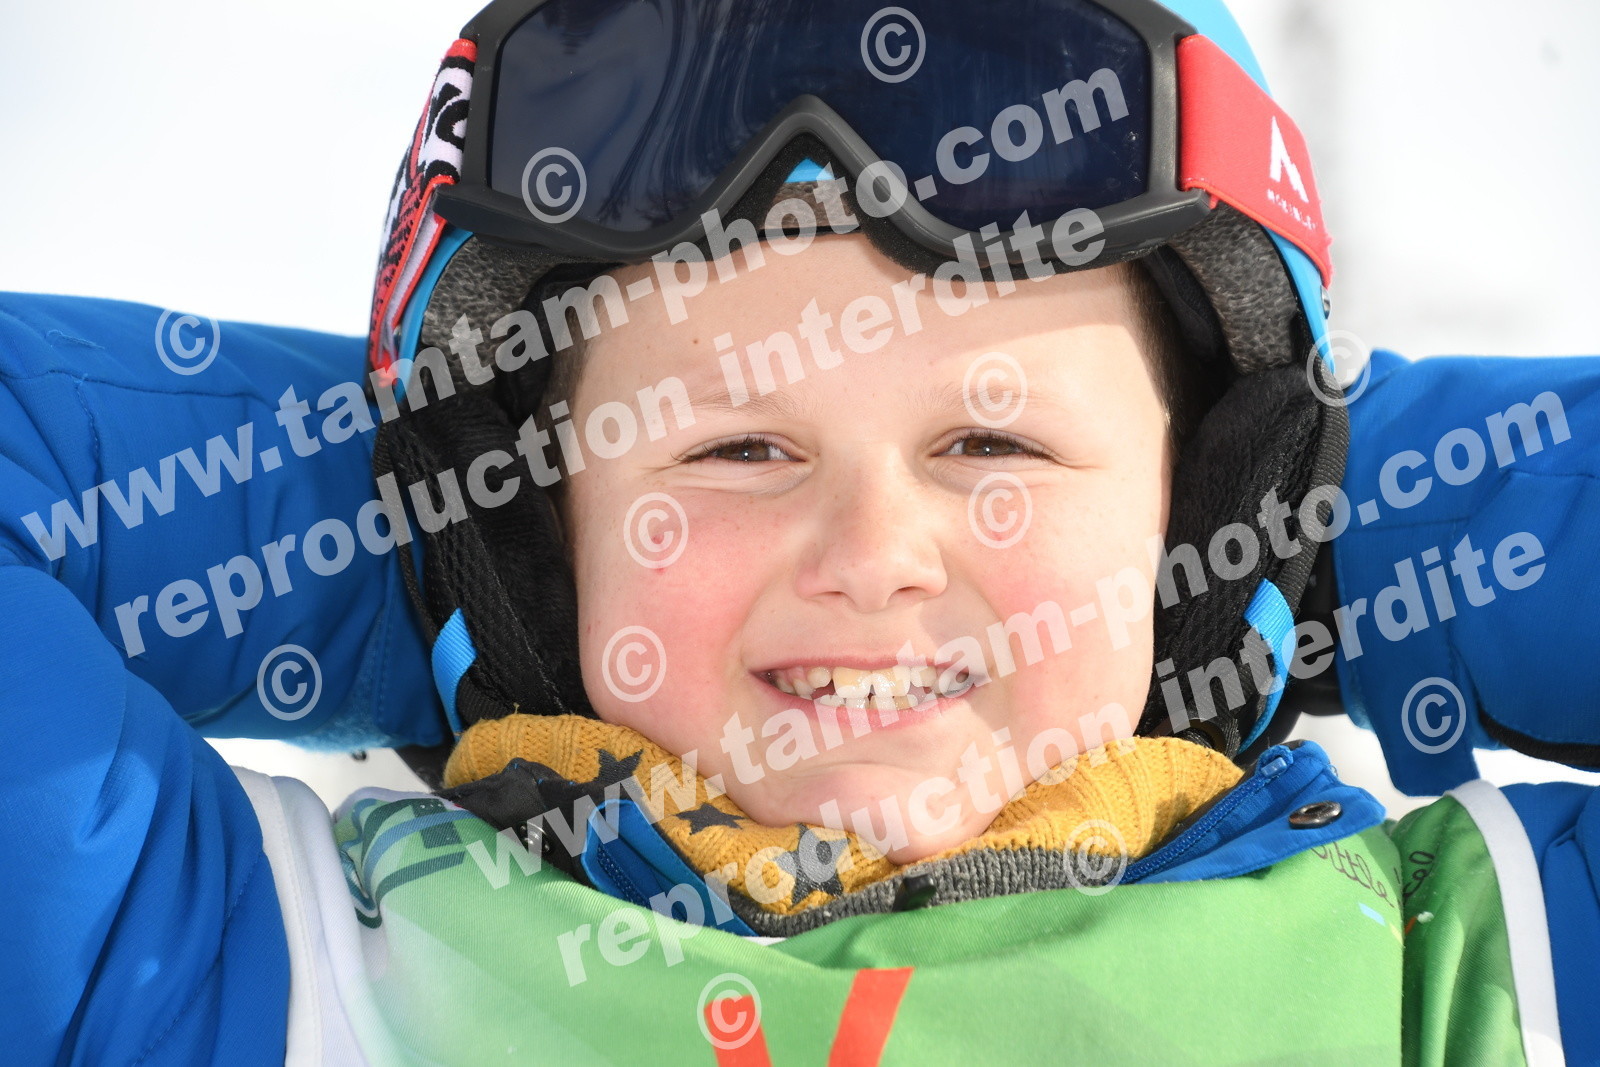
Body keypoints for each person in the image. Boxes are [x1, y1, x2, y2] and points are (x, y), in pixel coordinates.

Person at [2, 0, 1595, 1063]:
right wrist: (428, 553)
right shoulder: (265, 979)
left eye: (994, 441)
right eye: (737, 447)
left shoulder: (1469, 975)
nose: (873, 549)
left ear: (1206, 501)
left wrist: (1343, 538)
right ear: (541, 522)